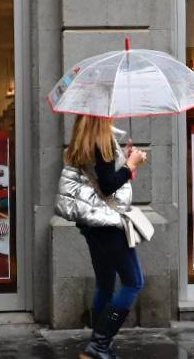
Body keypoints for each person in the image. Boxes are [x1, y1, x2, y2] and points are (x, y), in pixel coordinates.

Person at [55, 115, 148, 359]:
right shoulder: (102, 140)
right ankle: (98, 345)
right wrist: (132, 164)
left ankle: (96, 347)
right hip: (107, 223)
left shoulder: (82, 139)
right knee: (133, 281)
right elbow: (108, 184)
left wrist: (124, 160)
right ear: (101, 115)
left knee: (105, 284)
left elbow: (100, 176)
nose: (113, 114)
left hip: (93, 224)